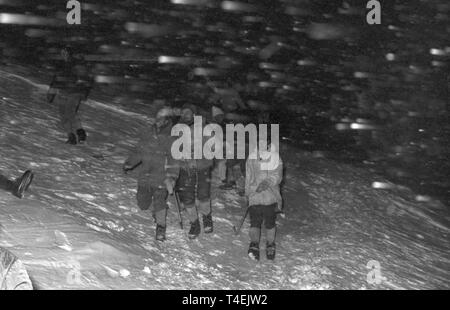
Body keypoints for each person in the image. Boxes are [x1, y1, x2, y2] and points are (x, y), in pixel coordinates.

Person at [122, 107, 179, 242]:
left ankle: (161, 227)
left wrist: (171, 176)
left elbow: (174, 159)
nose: (158, 121)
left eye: (161, 119)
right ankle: (155, 209)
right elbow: (139, 151)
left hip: (161, 176)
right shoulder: (148, 133)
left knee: (159, 201)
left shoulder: (172, 138)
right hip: (145, 175)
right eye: (157, 118)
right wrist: (130, 163)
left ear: (167, 121)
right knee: (143, 204)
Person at [174, 104, 215, 239]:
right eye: (184, 112)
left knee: (203, 195)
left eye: (189, 112)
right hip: (184, 168)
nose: (186, 115)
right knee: (187, 198)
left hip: (202, 167)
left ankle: (207, 217)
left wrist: (196, 159)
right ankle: (194, 223)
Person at [245, 143, 283, 261]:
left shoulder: (275, 157)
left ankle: (270, 243)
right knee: (255, 222)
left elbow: (277, 175)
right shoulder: (252, 157)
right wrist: (248, 193)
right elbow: (248, 176)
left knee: (270, 222)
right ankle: (254, 244)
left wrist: (267, 182)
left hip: (270, 196)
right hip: (255, 195)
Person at [47, 46, 92, 145]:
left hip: (74, 92)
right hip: (63, 92)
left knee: (70, 113)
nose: (63, 55)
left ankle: (81, 133)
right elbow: (56, 79)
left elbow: (85, 79)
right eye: (62, 53)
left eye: (65, 53)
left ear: (69, 53)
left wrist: (83, 92)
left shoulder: (75, 65)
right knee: (63, 116)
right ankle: (71, 136)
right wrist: (51, 92)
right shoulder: (63, 65)